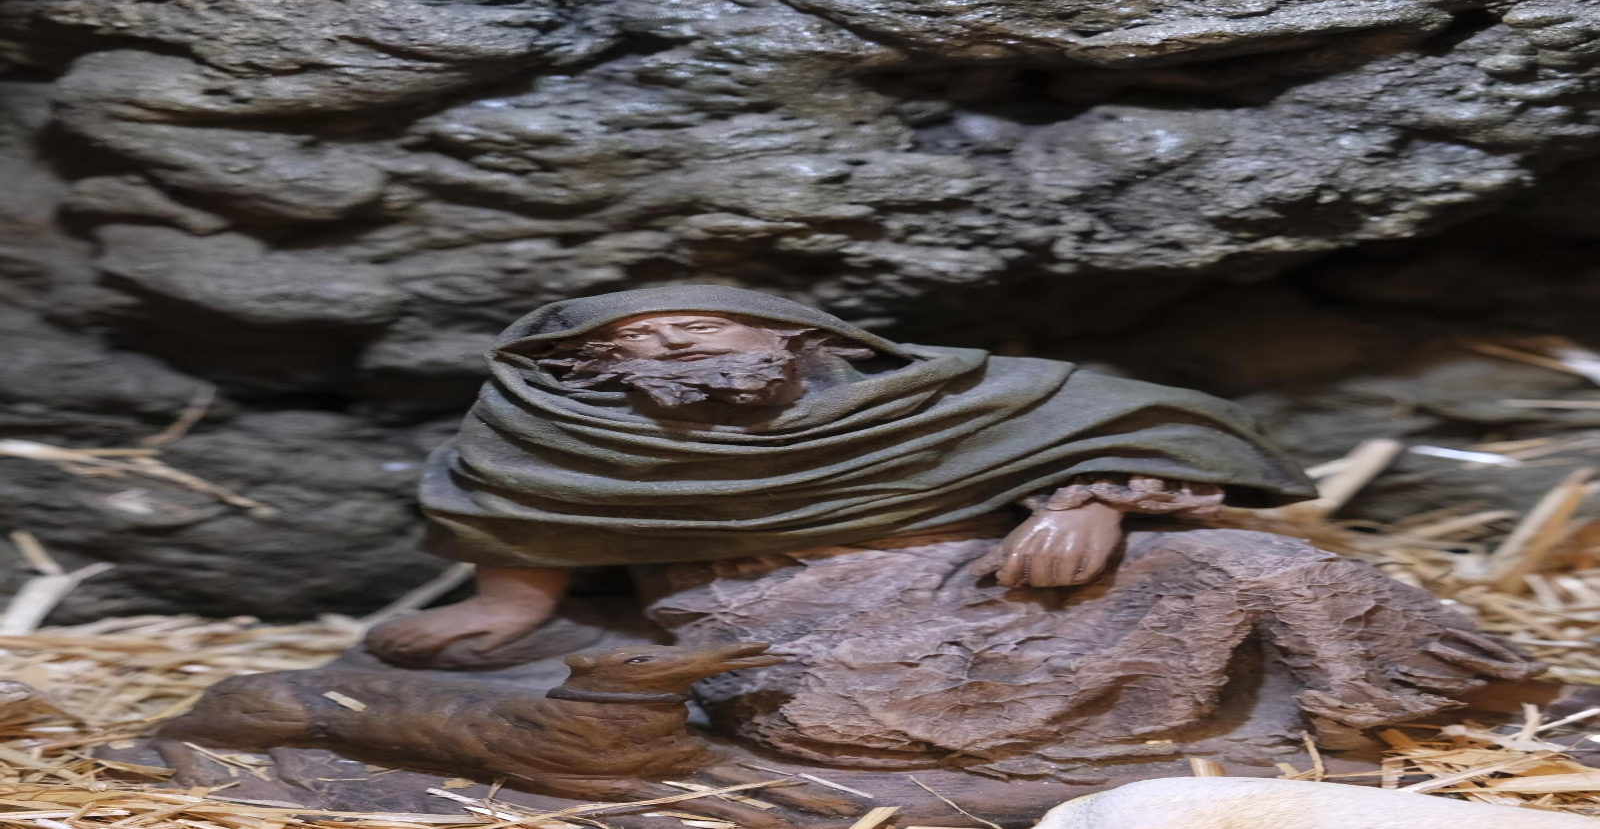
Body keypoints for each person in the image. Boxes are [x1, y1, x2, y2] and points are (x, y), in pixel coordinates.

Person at [365, 286, 1535, 772]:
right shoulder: (564, 442)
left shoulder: (933, 396)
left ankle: (1444, 715)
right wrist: (510, 609)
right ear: (585, 370)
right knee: (834, 709)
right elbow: (521, 521)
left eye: (706, 328)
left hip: (983, 566)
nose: (677, 350)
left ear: (796, 338)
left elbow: (1148, 432)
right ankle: (1104, 766)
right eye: (639, 343)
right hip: (766, 600)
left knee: (1247, 562)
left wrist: (1085, 504)